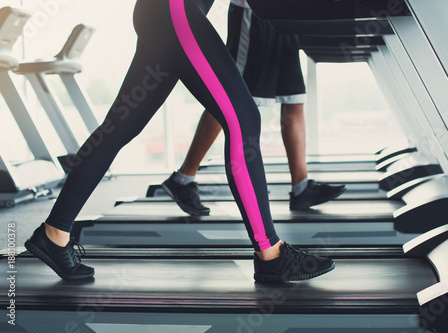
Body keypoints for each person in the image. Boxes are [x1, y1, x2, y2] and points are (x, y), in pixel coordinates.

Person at [24, 0, 335, 283]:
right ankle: (271, 253)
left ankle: (54, 233)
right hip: (175, 11)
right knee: (244, 120)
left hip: (163, 13)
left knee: (117, 128)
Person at [162, 0, 346, 216]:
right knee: (229, 96)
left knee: (293, 97)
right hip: (257, 11)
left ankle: (301, 187)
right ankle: (183, 179)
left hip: (288, 13)